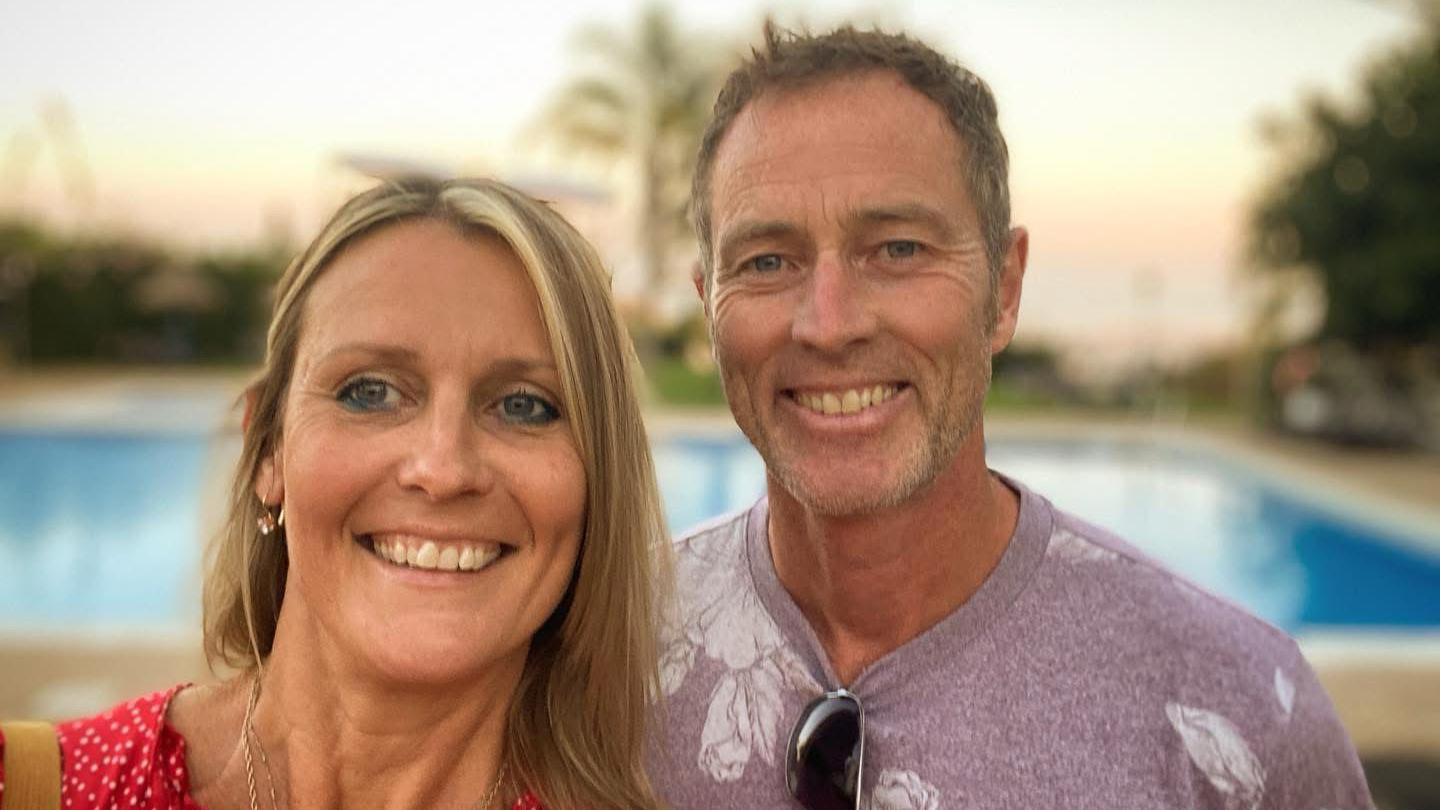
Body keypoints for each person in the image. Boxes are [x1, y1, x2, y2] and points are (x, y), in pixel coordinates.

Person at [651, 24, 1373, 809]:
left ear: (1004, 290)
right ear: (708, 308)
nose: (829, 324)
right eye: (766, 262)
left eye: (897, 249)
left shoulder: (1247, 719)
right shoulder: (599, 662)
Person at [0, 177, 671, 809]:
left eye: (526, 406)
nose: (442, 468)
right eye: (369, 392)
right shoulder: (32, 788)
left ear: (597, 480)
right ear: (268, 450)